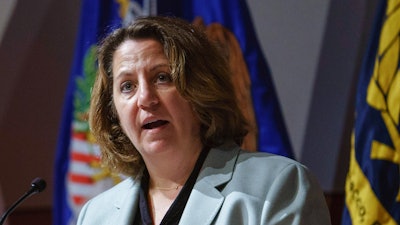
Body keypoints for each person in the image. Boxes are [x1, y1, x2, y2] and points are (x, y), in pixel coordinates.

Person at [77, 16, 331, 225]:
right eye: (127, 86)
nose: (145, 98)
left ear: (201, 89)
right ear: (113, 112)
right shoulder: (96, 215)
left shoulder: (277, 187)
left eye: (162, 77)